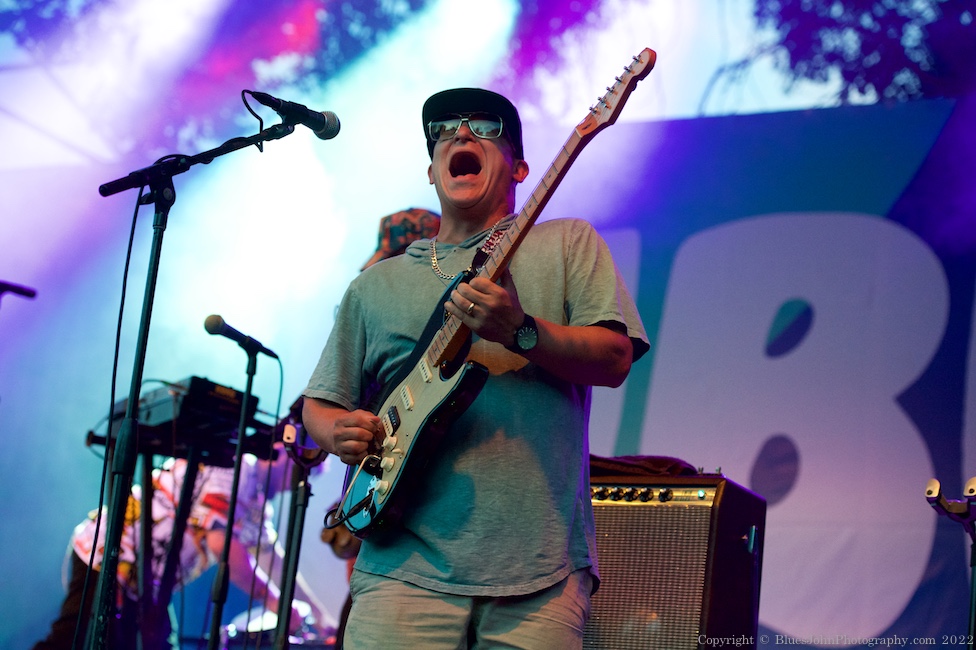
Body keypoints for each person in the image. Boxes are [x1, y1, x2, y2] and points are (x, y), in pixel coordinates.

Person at [301, 87, 649, 648]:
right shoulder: (375, 284)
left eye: (484, 128)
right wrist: (336, 430)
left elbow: (615, 359)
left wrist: (520, 331)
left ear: (519, 167)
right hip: (398, 572)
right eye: (444, 131)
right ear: (432, 173)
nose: (461, 135)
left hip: (540, 574)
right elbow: (320, 402)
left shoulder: (568, 244)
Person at [32, 448, 332, 649]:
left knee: (156, 643)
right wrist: (276, 603)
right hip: (108, 554)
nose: (301, 481)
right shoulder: (236, 468)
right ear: (284, 450)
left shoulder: (257, 502)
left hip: (145, 584)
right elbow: (223, 545)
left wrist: (318, 615)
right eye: (304, 470)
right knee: (72, 639)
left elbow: (274, 563)